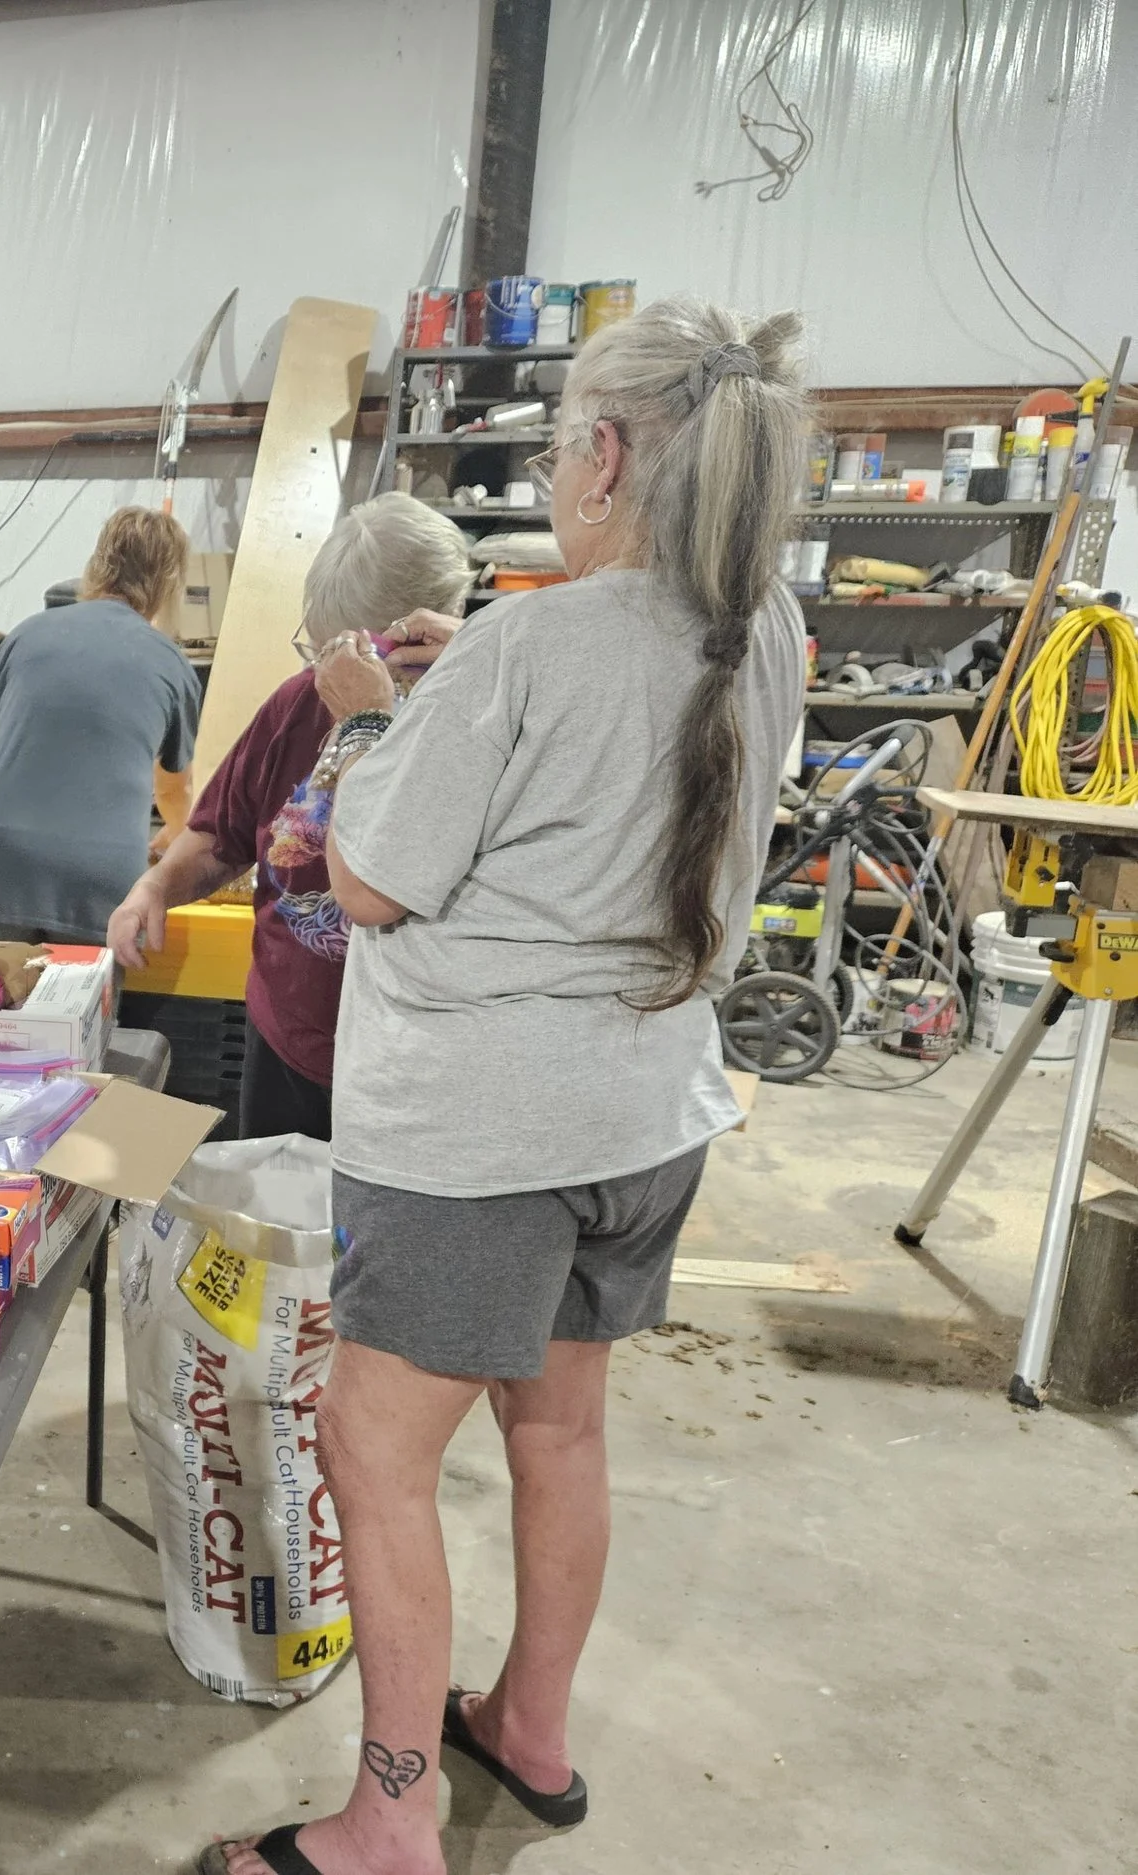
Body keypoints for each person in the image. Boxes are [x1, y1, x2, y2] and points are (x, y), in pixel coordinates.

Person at [203, 297, 808, 1875]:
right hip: (648, 1113)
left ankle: (391, 1813)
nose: (551, 473)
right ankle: (527, 1724)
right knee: (563, 1431)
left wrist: (371, 717)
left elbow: (373, 879)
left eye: (556, 446)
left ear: (605, 454)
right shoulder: (771, 628)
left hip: (483, 1136)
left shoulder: (534, 640)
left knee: (374, 1450)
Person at [105, 494, 469, 1140]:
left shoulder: (475, 726)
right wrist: (154, 886)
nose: (331, 676)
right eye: (320, 650)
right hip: (286, 1048)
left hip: (415, 1079)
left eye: (359, 654)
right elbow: (224, 833)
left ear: (424, 632)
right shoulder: (299, 704)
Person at [0, 506, 206, 956]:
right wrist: (176, 834)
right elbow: (175, 789)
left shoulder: (23, 636)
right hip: (96, 880)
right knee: (75, 1025)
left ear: (97, 564)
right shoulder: (171, 663)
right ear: (168, 581)